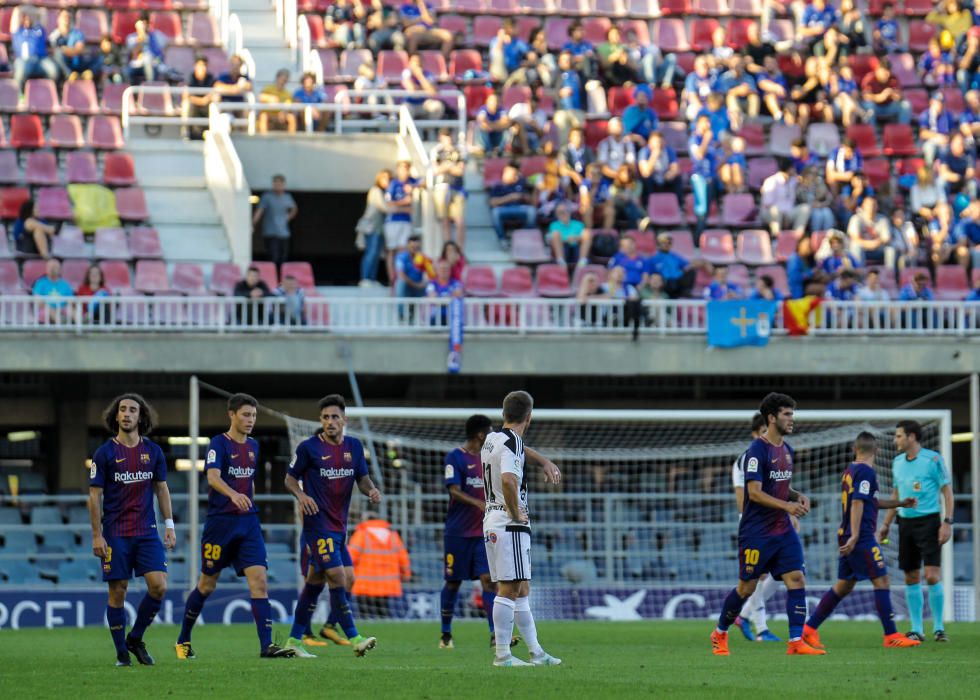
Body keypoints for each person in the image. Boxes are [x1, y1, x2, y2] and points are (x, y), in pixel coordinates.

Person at [175, 394, 294, 659]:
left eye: (253, 415)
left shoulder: (253, 446)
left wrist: (245, 499)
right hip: (221, 524)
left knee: (260, 581)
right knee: (207, 585)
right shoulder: (219, 443)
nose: (250, 420)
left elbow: (248, 481)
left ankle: (267, 646)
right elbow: (213, 476)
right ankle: (183, 639)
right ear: (232, 414)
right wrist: (233, 495)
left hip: (248, 522)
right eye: (245, 415)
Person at [710, 392, 822, 656]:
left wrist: (797, 495)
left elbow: (781, 486)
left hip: (782, 529)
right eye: (787, 414)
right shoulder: (756, 451)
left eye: (792, 414)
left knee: (796, 578)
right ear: (771, 418)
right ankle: (719, 633)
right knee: (746, 588)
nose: (792, 419)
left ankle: (795, 642)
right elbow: (756, 492)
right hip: (756, 532)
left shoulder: (787, 449)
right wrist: (787, 506)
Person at [801, 433, 921, 649]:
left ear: (855, 449)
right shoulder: (865, 472)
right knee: (881, 580)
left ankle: (808, 630)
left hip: (848, 533)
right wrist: (856, 535)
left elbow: (870, 502)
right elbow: (857, 503)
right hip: (861, 536)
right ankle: (891, 636)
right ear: (876, 450)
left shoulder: (851, 470)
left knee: (844, 585)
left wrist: (900, 502)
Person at [284, 394, 382, 656]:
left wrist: (371, 490)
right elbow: (290, 479)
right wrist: (302, 496)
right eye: (325, 417)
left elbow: (362, 478)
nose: (330, 422)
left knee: (320, 582)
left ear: (344, 420)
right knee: (338, 576)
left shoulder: (354, 447)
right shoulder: (308, 448)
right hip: (317, 526)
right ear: (321, 421)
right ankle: (354, 638)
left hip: (339, 527)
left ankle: (294, 641)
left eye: (335, 417)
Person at [87, 394, 175, 666]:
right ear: (116, 416)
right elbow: (94, 496)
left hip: (147, 531)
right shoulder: (104, 453)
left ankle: (135, 638)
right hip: (115, 533)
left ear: (141, 417)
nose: (127, 414)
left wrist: (169, 525)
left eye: (133, 410)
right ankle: (122, 654)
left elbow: (161, 488)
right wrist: (97, 535)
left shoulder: (154, 452)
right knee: (118, 591)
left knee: (159, 586)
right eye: (122, 409)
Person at [482, 390, 562, 667]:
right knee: (508, 589)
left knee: (522, 587)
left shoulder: (493, 438)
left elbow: (518, 448)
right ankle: (502, 655)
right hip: (508, 523)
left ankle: (536, 652)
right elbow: (508, 480)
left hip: (492, 518)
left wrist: (543, 460)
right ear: (529, 417)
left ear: (504, 414)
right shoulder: (512, 442)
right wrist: (517, 514)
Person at [440, 415, 512, 649]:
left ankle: (495, 635)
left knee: (489, 581)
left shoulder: (489, 458)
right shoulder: (456, 457)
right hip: (458, 533)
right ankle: (446, 634)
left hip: (483, 532)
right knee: (453, 583)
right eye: (489, 432)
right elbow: (453, 490)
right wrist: (477, 503)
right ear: (480, 434)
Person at [879, 421, 954, 643]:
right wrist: (886, 524)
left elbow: (947, 492)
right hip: (905, 524)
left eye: (899, 436)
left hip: (930, 522)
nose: (895, 440)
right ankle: (917, 629)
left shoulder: (933, 459)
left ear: (912, 437)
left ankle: (939, 628)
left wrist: (947, 522)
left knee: (931, 575)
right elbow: (895, 495)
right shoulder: (897, 462)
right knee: (911, 575)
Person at [730, 413, 782, 643]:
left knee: (783, 573)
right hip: (755, 524)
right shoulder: (745, 460)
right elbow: (742, 496)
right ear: (754, 434)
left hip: (775, 522)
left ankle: (743, 615)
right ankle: (761, 628)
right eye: (762, 432)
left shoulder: (776, 459)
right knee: (759, 576)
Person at [348, 511, 411, 619]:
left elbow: (350, 557)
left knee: (365, 618)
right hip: (387, 585)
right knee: (383, 616)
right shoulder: (392, 535)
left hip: (365, 586)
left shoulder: (362, 534)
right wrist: (406, 575)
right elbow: (403, 558)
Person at [430, 129, 466, 247]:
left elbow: (460, 171)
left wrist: (446, 166)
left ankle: (459, 250)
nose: (449, 139)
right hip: (441, 187)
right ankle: (448, 249)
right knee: (444, 220)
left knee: (459, 220)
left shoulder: (459, 150)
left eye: (450, 135)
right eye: (446, 136)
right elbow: (436, 170)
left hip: (457, 187)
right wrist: (451, 166)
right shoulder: (437, 151)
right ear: (441, 137)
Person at [253, 174, 298, 269]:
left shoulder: (287, 197)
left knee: (283, 259)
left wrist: (288, 217)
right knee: (273, 258)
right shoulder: (267, 196)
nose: (277, 185)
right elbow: (260, 211)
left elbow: (294, 208)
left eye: (279, 183)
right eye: (275, 183)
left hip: (284, 233)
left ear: (283, 184)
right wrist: (253, 223)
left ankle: (282, 281)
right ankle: (273, 279)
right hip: (270, 233)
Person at [487, 163, 535, 249]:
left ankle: (524, 236)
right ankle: (502, 240)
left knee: (532, 211)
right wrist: (510, 197)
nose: (506, 174)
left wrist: (522, 196)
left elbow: (531, 200)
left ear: (515, 175)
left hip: (520, 209)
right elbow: (492, 203)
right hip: (504, 209)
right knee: (495, 212)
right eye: (505, 172)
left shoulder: (522, 183)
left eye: (509, 172)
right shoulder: (498, 186)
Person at [356, 169, 390, 287]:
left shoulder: (385, 192)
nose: (387, 181)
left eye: (388, 178)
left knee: (376, 254)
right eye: (384, 178)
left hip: (379, 229)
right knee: (371, 252)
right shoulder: (375, 191)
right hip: (372, 228)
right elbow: (384, 207)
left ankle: (372, 279)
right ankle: (365, 278)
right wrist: (399, 207)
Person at [12, 8, 58, 89]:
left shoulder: (39, 29)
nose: (28, 19)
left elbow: (43, 11)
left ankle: (48, 92)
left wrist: (32, 12)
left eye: (30, 17)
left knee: (54, 71)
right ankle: (21, 94)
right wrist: (26, 9)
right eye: (26, 18)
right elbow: (16, 11)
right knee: (21, 73)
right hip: (24, 60)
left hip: (41, 60)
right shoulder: (18, 31)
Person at [646, 233, 699, 299]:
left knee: (691, 271)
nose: (666, 245)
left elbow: (688, 264)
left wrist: (703, 262)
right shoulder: (653, 258)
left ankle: (685, 292)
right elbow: (648, 274)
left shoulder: (675, 256)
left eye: (669, 243)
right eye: (664, 243)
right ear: (658, 244)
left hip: (677, 281)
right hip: (664, 283)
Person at [49, 9, 95, 81]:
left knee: (99, 57)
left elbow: (79, 50)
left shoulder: (77, 33)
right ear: (58, 19)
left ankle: (87, 74)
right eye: (64, 16)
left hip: (76, 62)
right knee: (57, 55)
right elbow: (54, 52)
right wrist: (71, 50)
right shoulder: (53, 36)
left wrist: (64, 50)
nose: (66, 19)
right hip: (63, 66)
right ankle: (70, 75)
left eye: (69, 17)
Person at [125, 15, 167, 84]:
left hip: (154, 64)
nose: (144, 26)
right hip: (136, 65)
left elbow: (163, 49)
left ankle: (151, 88)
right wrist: (141, 35)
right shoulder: (132, 37)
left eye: (145, 24)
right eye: (142, 24)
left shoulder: (155, 35)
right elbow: (134, 53)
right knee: (129, 72)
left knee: (151, 62)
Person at [32, 257, 75, 323]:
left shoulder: (65, 284)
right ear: (46, 269)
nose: (52, 269)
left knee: (71, 310)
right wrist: (52, 309)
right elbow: (38, 301)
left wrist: (61, 308)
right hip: (45, 310)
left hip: (62, 308)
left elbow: (70, 301)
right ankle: (61, 324)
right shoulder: (40, 283)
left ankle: (81, 324)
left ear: (60, 269)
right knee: (49, 310)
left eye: (54, 267)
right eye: (50, 267)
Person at [186, 56, 217, 140]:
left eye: (204, 65)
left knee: (214, 106)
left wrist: (206, 100)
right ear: (195, 66)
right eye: (200, 65)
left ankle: (210, 134)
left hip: (206, 105)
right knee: (189, 106)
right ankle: (189, 134)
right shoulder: (191, 77)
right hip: (196, 105)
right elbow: (187, 96)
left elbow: (214, 91)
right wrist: (202, 101)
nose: (202, 68)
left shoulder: (210, 77)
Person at [257, 68, 297, 134]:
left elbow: (288, 105)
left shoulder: (287, 93)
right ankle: (263, 137)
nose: (283, 81)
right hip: (268, 114)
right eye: (282, 78)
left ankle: (291, 138)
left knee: (291, 118)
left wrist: (284, 112)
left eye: (285, 79)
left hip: (280, 115)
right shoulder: (268, 88)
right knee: (263, 116)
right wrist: (269, 98)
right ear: (277, 77)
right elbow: (260, 97)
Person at [394, 234, 430, 300]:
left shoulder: (424, 258)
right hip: (408, 286)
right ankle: (400, 310)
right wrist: (415, 284)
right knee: (401, 283)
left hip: (419, 287)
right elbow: (401, 275)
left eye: (417, 248)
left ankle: (427, 310)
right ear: (408, 246)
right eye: (412, 247)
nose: (415, 249)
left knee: (430, 286)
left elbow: (430, 275)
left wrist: (423, 283)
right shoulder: (401, 257)